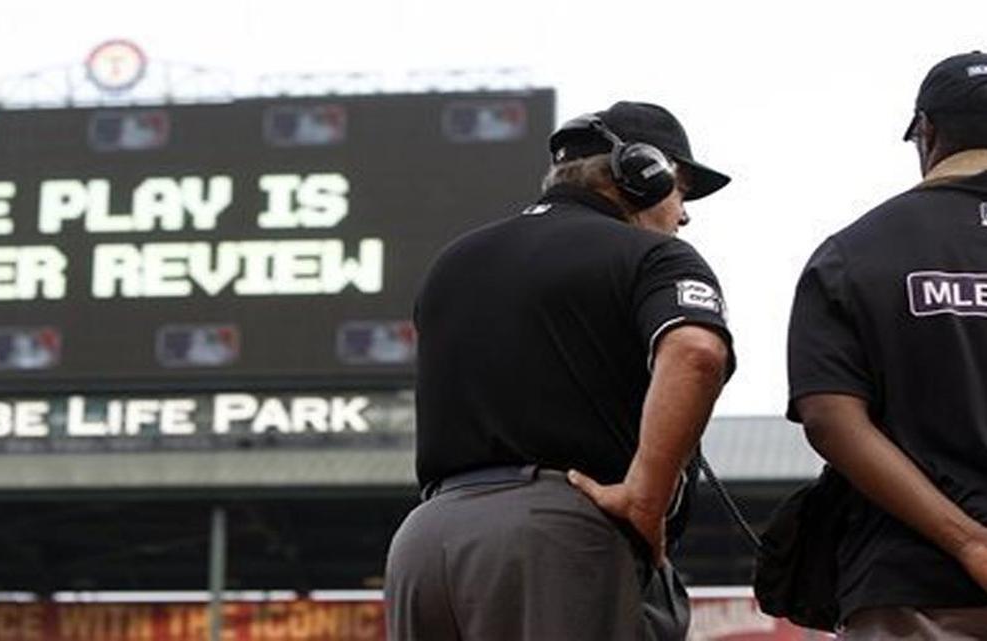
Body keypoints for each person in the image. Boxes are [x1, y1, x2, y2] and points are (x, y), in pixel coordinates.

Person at [384, 101, 735, 640]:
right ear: (644, 175)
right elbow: (696, 352)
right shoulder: (653, 255)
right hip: (554, 534)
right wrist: (646, 498)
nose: (684, 214)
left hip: (423, 544)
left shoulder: (453, 260)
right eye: (681, 190)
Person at [787, 51, 987, 639]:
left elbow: (829, 419)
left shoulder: (855, 251)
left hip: (908, 585)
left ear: (926, 132)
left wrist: (970, 541)